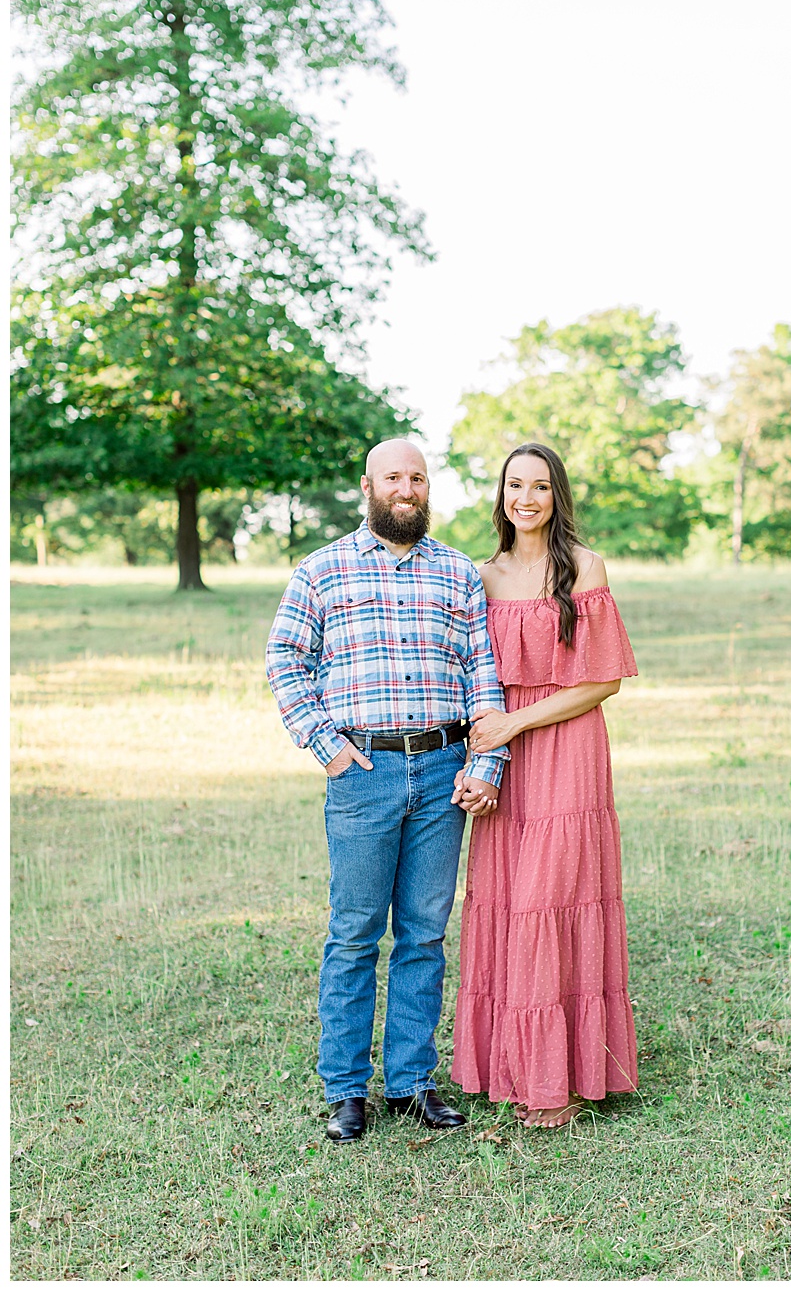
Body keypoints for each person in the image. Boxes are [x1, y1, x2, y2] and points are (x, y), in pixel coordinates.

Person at [266, 438, 505, 1144]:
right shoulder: (323, 570)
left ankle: (410, 1083)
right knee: (354, 934)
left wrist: (486, 764)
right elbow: (284, 657)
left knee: (425, 934)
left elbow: (482, 676)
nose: (408, 489)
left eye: (419, 478)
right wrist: (326, 745)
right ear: (368, 485)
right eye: (395, 477)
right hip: (363, 774)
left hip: (442, 773)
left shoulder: (458, 574)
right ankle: (346, 1089)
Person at [449, 441, 639, 1128]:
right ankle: (507, 1064)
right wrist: (484, 749)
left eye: (539, 487)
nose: (525, 499)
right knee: (505, 897)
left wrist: (515, 723)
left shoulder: (583, 567)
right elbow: (471, 676)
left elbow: (603, 680)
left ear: (557, 495)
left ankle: (563, 1079)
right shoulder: (480, 575)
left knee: (553, 901)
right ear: (500, 495)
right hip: (505, 758)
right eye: (514, 486)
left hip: (566, 745)